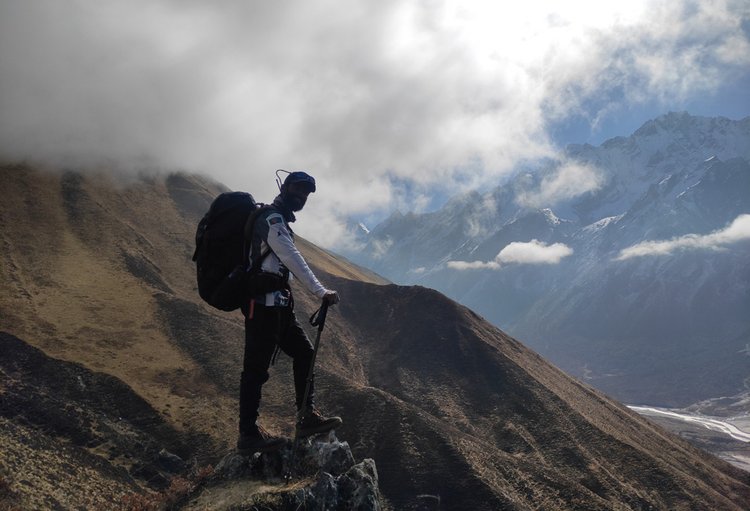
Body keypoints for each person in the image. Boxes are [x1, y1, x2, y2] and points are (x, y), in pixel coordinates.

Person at [237, 170, 342, 454]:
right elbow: (289, 256)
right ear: (284, 188)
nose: (302, 196)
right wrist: (320, 291)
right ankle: (247, 435)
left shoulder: (280, 220)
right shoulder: (271, 220)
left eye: (306, 193)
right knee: (255, 370)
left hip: (280, 307)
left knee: (305, 353)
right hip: (261, 307)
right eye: (298, 189)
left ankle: (306, 416)